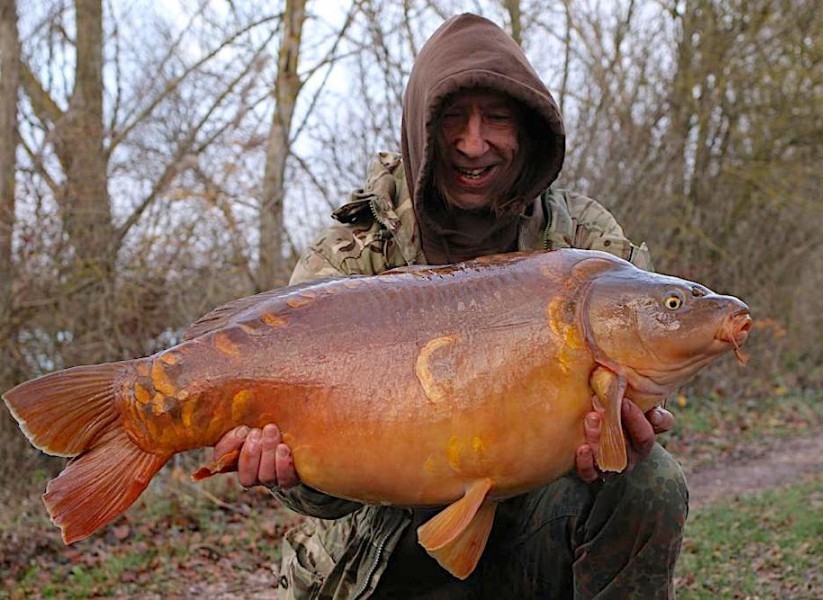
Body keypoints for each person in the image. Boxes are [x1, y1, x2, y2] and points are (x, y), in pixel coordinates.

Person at [213, 13, 686, 599]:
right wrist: (286, 474)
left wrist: (627, 435)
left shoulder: (584, 244)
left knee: (650, 481)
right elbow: (322, 502)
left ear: (530, 130)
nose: (473, 143)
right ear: (422, 127)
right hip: (382, 541)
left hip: (535, 518)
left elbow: (640, 398)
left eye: (498, 120)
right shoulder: (354, 252)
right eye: (454, 120)